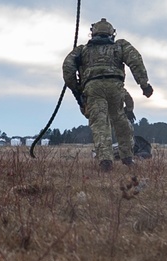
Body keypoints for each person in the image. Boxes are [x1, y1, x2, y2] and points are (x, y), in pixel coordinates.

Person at [63, 19, 153, 173]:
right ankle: (127, 158)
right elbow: (135, 61)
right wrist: (144, 84)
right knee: (121, 121)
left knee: (100, 125)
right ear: (112, 33)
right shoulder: (120, 46)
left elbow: (67, 67)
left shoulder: (81, 50)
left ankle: (105, 161)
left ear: (93, 33)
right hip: (115, 87)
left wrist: (77, 90)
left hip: (93, 87)